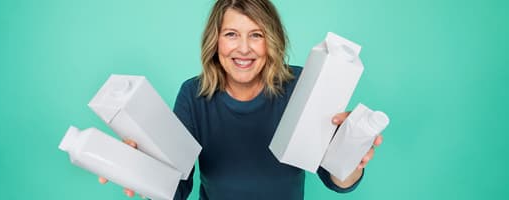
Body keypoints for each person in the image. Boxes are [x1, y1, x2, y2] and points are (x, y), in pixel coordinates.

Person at [100, 0, 383, 199]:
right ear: (216, 41)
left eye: (256, 35)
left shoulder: (301, 85)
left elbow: (338, 181)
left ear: (271, 40)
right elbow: (177, 190)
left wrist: (350, 156)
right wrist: (142, 171)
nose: (244, 49)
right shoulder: (194, 95)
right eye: (232, 34)